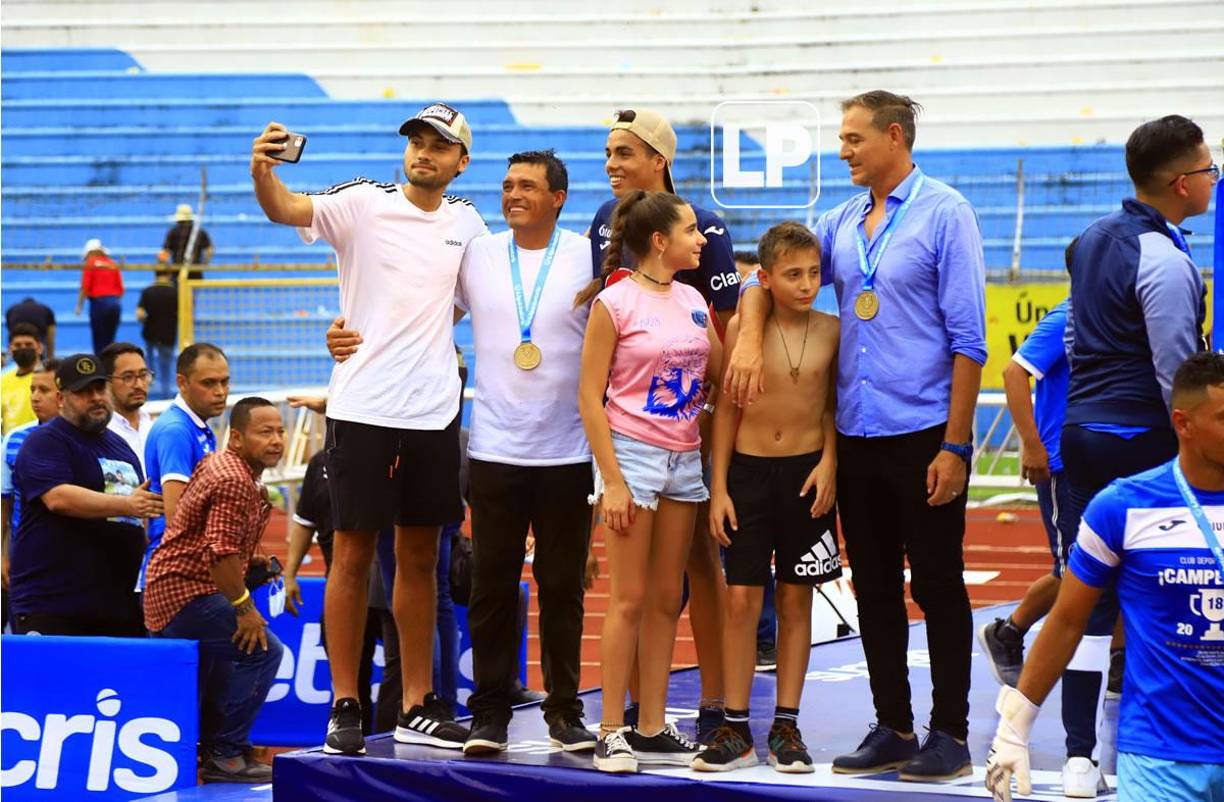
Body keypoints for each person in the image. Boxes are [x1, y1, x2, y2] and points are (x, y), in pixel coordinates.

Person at [728, 90, 987, 781]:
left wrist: (956, 446)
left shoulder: (946, 213)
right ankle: (893, 725)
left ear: (893, 137)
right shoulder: (840, 222)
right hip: (856, 435)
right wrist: (748, 338)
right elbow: (766, 273)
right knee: (872, 586)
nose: (841, 151)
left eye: (852, 139)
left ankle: (952, 734)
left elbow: (969, 341)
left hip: (923, 432)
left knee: (937, 583)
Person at [251, 102, 487, 756]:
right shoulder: (362, 202)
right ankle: (345, 703)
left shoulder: (468, 223)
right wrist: (262, 171)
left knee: (421, 560)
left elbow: (464, 305)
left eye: (439, 145)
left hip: (434, 412)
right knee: (350, 557)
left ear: (461, 161)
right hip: (362, 410)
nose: (424, 152)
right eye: (417, 141)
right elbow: (285, 209)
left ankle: (416, 705)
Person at [1053, 114, 1213, 795]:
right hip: (1142, 436)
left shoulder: (1092, 238)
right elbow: (1176, 370)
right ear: (1180, 183)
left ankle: (1078, 756)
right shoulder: (1165, 259)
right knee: (1170, 589)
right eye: (1209, 169)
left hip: (1083, 430)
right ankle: (1164, 743)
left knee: (1084, 596)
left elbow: (1070, 335)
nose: (1214, 180)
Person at [986, 351, 1224, 802]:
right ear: (1183, 423)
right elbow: (1067, 620)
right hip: (1159, 760)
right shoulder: (1122, 507)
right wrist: (1014, 726)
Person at [588, 106, 738, 743]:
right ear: (658, 240)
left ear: (659, 159)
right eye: (609, 153)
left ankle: (659, 720)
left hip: (684, 455)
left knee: (666, 593)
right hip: (633, 453)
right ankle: (613, 727)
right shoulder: (615, 297)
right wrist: (612, 478)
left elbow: (724, 364)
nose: (611, 165)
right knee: (628, 598)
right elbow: (591, 392)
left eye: (623, 152)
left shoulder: (694, 295)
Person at [697, 222, 840, 775]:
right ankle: (735, 727)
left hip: (807, 477)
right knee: (740, 600)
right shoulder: (744, 331)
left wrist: (829, 462)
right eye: (793, 275)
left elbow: (832, 407)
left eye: (813, 274)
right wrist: (719, 488)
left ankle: (786, 724)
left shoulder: (832, 331)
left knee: (797, 600)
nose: (806, 285)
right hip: (749, 476)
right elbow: (726, 412)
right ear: (767, 278)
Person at [145, 397, 285, 784]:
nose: (276, 440)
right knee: (264, 651)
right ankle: (226, 754)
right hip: (186, 594)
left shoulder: (223, 463)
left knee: (221, 666)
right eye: (265, 432)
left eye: (280, 431)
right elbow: (219, 552)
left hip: (173, 588)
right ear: (236, 438)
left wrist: (251, 560)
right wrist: (244, 608)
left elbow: (211, 538)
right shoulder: (234, 479)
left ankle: (217, 749)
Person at [9, 354, 162, 636]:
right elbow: (58, 498)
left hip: (117, 606)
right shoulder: (45, 441)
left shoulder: (121, 448)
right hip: (53, 607)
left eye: (100, 388)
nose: (95, 398)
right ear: (61, 398)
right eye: (83, 392)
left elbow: (137, 516)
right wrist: (127, 505)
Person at [979, 278, 1074, 688]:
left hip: (1099, 459)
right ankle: (1009, 633)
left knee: (1111, 563)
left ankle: (1120, 666)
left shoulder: (1116, 317)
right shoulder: (1067, 318)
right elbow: (1013, 371)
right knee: (1072, 570)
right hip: (1062, 462)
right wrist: (1033, 446)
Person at [142, 343, 229, 589]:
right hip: (175, 572)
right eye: (208, 383)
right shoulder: (176, 430)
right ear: (182, 382)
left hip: (187, 565)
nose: (220, 392)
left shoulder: (196, 426)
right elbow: (177, 516)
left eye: (224, 382)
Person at [1, 359, 60, 626]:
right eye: (32, 390)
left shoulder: (90, 438)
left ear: (64, 394)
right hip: (26, 564)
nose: (35, 397)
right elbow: (4, 505)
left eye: (44, 390)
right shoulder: (14, 439)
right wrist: (3, 555)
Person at [101, 342, 154, 473]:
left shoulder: (153, 426)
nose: (139, 385)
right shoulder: (100, 432)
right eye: (128, 377)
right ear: (107, 382)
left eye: (143, 375)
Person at [76, 238, 124, 356]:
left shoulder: (90, 264)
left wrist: (79, 306)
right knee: (110, 340)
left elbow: (85, 287)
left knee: (99, 341)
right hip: (115, 304)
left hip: (99, 303)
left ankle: (100, 364)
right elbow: (121, 289)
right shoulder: (112, 264)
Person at [136, 267, 179, 399]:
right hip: (168, 333)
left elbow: (140, 314)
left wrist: (147, 322)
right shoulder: (176, 292)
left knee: (148, 366)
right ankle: (166, 396)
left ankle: (146, 392)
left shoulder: (147, 291)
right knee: (166, 366)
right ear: (169, 274)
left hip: (150, 332)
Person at [3, 324, 43, 435]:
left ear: (40, 348)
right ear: (10, 349)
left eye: (28, 344)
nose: (23, 348)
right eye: (18, 345)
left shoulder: (49, 378)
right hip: (12, 442)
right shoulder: (3, 380)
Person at [160, 204, 213, 281]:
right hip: (195, 270)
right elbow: (209, 251)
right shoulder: (200, 232)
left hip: (177, 270)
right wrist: (205, 263)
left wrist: (167, 268)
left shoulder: (172, 232)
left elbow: (164, 253)